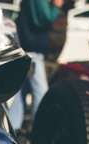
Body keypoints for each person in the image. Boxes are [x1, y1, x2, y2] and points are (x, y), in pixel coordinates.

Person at [10, 0, 64, 131]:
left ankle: (13, 127)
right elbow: (44, 18)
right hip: (33, 50)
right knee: (41, 90)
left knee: (21, 91)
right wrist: (56, 6)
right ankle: (40, 128)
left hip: (26, 47)